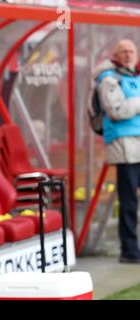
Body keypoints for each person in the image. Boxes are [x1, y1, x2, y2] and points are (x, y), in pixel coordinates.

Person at [94, 39, 140, 263]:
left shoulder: (135, 77)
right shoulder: (108, 78)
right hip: (124, 148)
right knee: (129, 200)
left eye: (131, 51)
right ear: (116, 55)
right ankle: (130, 251)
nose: (128, 54)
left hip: (137, 144)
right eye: (123, 51)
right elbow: (116, 110)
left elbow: (127, 106)